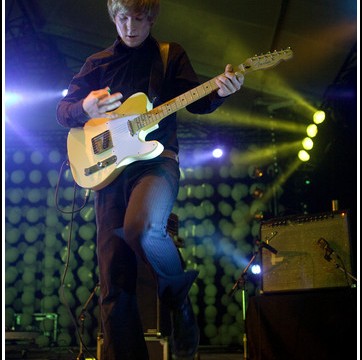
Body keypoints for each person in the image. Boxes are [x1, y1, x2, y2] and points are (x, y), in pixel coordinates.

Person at [56, 0, 244, 359]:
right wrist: (84, 108)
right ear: (114, 16)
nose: (129, 26)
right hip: (109, 172)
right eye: (122, 18)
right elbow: (63, 111)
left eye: (138, 18)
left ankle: (178, 300)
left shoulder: (169, 55)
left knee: (141, 229)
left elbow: (197, 101)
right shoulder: (97, 63)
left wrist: (220, 90)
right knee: (115, 281)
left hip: (156, 163)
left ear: (151, 17)